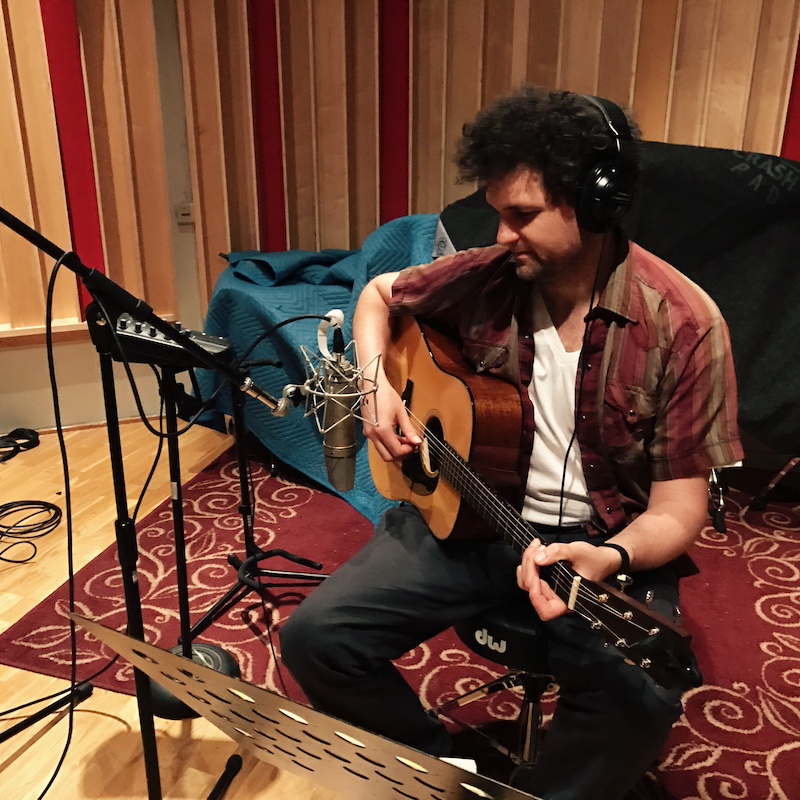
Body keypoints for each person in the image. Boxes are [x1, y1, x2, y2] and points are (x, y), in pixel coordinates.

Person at [280, 86, 743, 799]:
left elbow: (681, 509)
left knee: (641, 694)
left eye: (521, 216)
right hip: (470, 516)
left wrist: (611, 555)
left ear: (594, 204)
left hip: (600, 540)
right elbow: (376, 296)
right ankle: (442, 775)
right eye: (497, 215)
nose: (501, 236)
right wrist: (377, 386)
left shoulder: (685, 324)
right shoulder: (487, 277)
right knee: (316, 638)